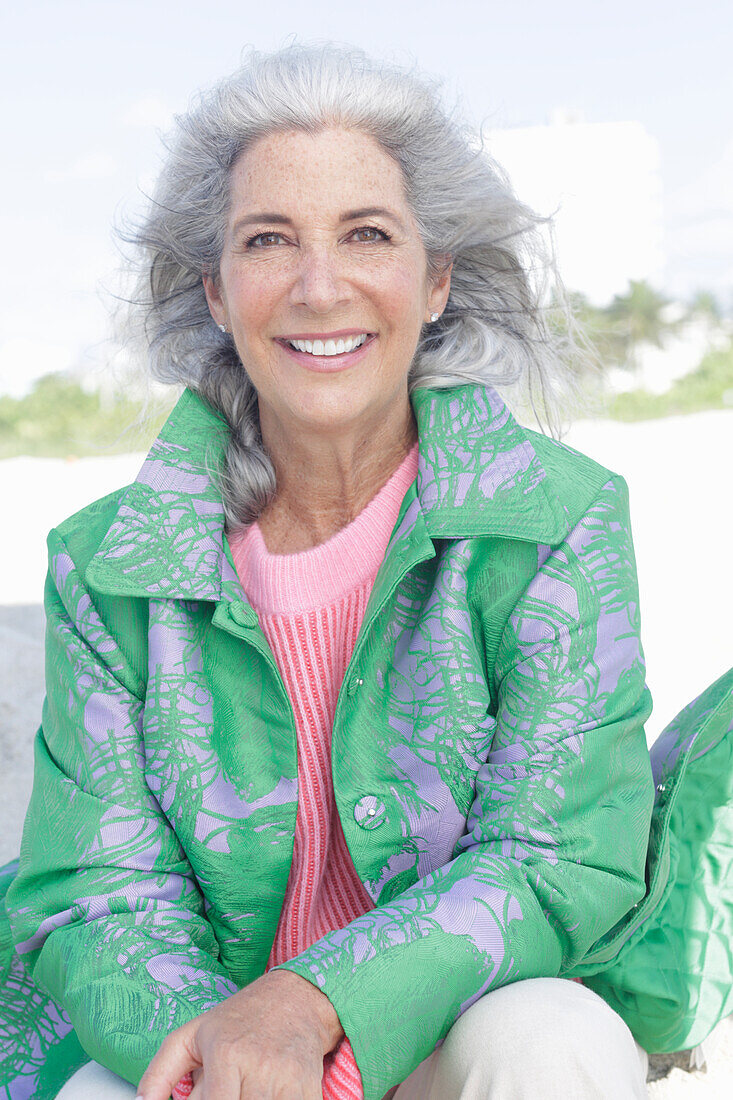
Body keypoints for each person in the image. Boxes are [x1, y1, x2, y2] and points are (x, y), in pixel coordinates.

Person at [2, 40, 721, 1100]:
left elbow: (555, 852)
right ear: (215, 289)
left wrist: (309, 1005)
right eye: (268, 240)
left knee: (550, 1034)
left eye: (367, 234)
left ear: (434, 280)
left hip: (458, 1022)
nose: (319, 284)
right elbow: (97, 894)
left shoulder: (556, 518)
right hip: (222, 1036)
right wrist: (231, 1051)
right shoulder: (106, 565)